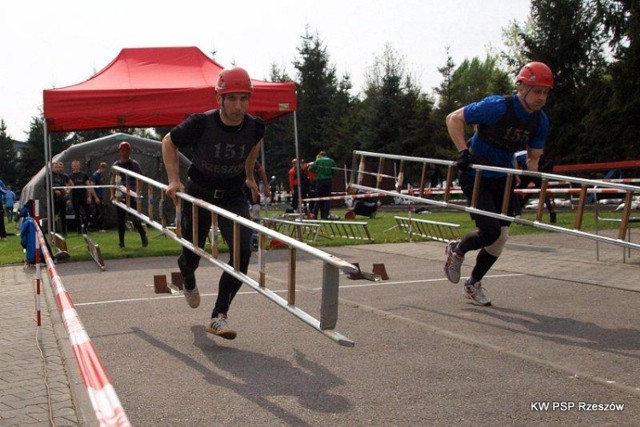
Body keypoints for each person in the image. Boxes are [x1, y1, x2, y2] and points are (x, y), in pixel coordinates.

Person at [162, 66, 263, 340]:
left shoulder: (255, 126)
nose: (238, 105)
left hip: (232, 195)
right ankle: (188, 276)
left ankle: (219, 316)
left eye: (244, 98)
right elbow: (169, 142)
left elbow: (254, 145)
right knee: (192, 254)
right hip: (199, 192)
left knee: (242, 251)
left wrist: (250, 175)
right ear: (219, 98)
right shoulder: (200, 123)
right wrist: (173, 180)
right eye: (232, 98)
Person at [444, 61, 553, 306]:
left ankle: (473, 283)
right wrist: (463, 151)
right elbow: (453, 119)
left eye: (545, 92)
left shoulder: (540, 121)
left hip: (501, 176)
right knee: (490, 231)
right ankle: (457, 251)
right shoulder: (497, 106)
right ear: (521, 87)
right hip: (476, 173)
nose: (541, 98)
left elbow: (533, 157)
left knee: (501, 237)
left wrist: (534, 173)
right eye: (537, 91)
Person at [110, 141, 148, 248]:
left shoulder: (134, 164)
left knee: (135, 218)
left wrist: (137, 193)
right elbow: (112, 180)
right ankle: (121, 242)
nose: (124, 152)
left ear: (130, 151)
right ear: (119, 152)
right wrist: (112, 194)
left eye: (127, 150)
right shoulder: (116, 165)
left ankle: (143, 235)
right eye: (122, 150)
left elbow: (140, 180)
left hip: (131, 193)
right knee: (120, 218)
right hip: (120, 194)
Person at [513, 150, 557, 223]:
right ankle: (551, 210)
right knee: (542, 192)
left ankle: (518, 211)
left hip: (526, 172)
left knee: (516, 191)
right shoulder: (529, 151)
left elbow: (516, 168)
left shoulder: (515, 155)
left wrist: (517, 178)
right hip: (536, 171)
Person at [308, 151, 338, 220]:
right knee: (327, 199)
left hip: (320, 181)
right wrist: (329, 174)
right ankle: (325, 216)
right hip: (328, 181)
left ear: (320, 155)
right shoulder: (331, 161)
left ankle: (315, 215)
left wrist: (317, 172)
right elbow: (335, 171)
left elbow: (311, 169)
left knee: (318, 198)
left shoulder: (318, 161)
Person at [69, 160, 92, 234]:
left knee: (88, 213)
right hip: (75, 197)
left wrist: (89, 197)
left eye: (77, 166)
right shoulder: (70, 176)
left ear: (79, 166)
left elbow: (88, 186)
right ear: (72, 167)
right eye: (74, 166)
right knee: (77, 214)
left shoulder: (84, 175)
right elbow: (68, 187)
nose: (75, 167)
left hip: (83, 196)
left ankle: (85, 227)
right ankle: (79, 229)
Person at [50, 161, 73, 235]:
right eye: (56, 167)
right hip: (53, 198)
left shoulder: (63, 176)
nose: (57, 169)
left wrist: (67, 191)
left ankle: (64, 232)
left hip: (62, 197)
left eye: (59, 167)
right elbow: (46, 186)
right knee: (54, 214)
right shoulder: (49, 176)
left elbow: (71, 184)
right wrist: (54, 191)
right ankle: (53, 231)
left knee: (63, 214)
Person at [89, 162, 108, 231]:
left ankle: (94, 226)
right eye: (104, 169)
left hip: (100, 195)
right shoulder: (95, 175)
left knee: (97, 212)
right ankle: (97, 227)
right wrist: (96, 197)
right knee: (101, 212)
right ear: (102, 168)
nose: (105, 171)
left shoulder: (100, 175)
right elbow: (91, 187)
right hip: (96, 196)